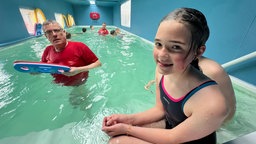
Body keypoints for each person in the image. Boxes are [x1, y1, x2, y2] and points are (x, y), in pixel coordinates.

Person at [102, 7, 229, 144]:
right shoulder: (161, 71)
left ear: (198, 52)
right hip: (172, 129)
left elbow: (173, 138)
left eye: (175, 47)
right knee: (115, 135)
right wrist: (127, 119)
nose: (162, 55)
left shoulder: (212, 102)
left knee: (117, 142)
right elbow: (160, 110)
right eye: (158, 44)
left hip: (180, 138)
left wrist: (127, 129)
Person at [41, 20, 101, 86]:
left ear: (64, 32)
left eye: (56, 30)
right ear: (46, 36)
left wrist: (78, 70)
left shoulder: (79, 46)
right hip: (57, 84)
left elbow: (98, 64)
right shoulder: (47, 50)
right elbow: (42, 66)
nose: (54, 34)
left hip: (78, 84)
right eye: (49, 32)